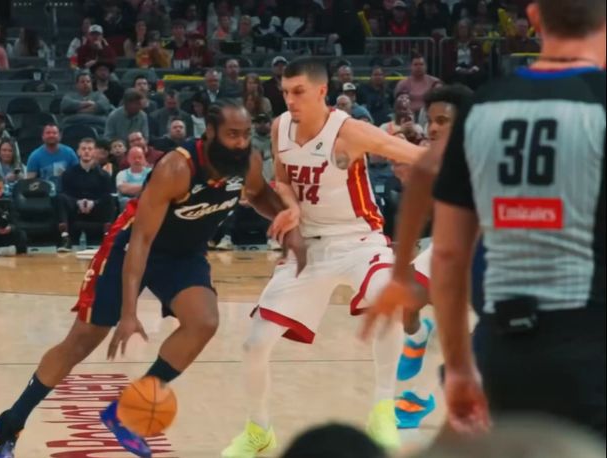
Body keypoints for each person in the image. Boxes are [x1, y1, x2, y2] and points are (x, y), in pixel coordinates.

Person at [0, 99, 306, 458]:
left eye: (245, 134)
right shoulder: (177, 167)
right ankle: (9, 425)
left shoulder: (247, 162)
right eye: (232, 135)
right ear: (211, 132)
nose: (241, 142)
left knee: (204, 322)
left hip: (183, 254)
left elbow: (259, 194)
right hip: (132, 247)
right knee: (81, 341)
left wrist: (288, 228)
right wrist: (129, 313)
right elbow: (141, 241)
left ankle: (125, 411)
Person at [374, 0, 606, 438]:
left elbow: (446, 249)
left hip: (502, 346)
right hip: (589, 342)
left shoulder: (484, 107)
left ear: (532, 19)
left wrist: (459, 366)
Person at [222, 57, 424, 457]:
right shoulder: (280, 126)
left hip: (359, 240)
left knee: (388, 299)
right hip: (310, 247)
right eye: (284, 92)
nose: (290, 100)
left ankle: (383, 409)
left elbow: (412, 154)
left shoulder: (350, 131)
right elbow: (283, 181)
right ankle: (259, 431)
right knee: (254, 344)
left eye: (298, 92)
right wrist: (291, 208)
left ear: (321, 91)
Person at [361, 84, 473, 430]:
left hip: (484, 255)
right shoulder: (433, 158)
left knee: (456, 334)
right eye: (431, 120)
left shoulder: (485, 154)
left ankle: (419, 399)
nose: (433, 127)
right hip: (445, 245)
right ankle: (418, 335)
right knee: (405, 305)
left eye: (443, 121)